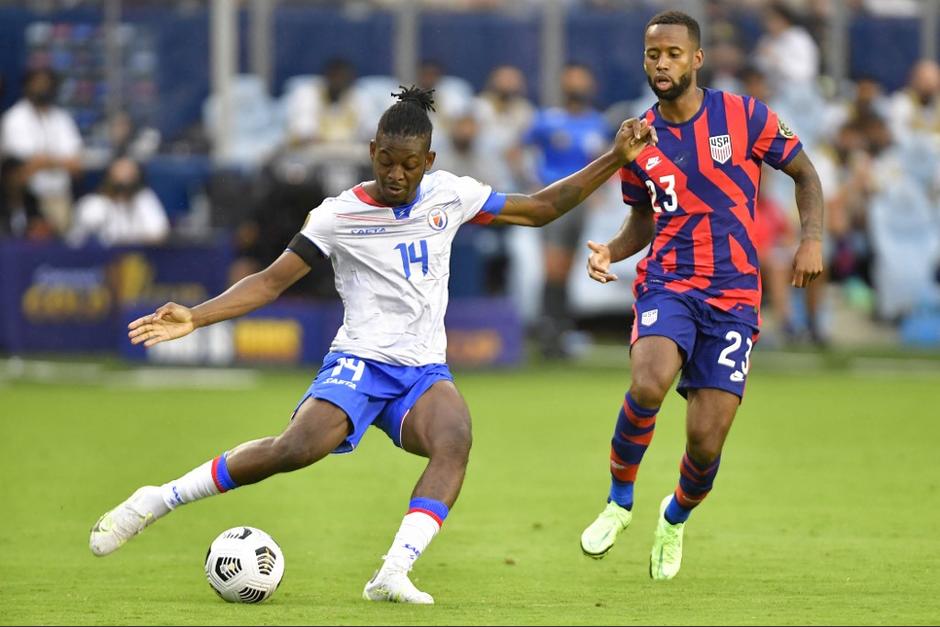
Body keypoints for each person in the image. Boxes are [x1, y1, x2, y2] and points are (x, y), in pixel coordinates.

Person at [89, 86, 657, 604]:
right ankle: (157, 499)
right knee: (294, 450)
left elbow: (540, 209)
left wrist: (614, 160)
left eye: (410, 164)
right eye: (386, 160)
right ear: (371, 151)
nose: (396, 173)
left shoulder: (450, 195)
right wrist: (197, 315)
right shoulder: (336, 215)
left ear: (429, 161)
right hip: (360, 362)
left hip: (423, 370)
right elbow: (269, 281)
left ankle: (392, 572)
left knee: (454, 439)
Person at [578, 11, 823, 580]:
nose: (660, 63)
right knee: (648, 381)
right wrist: (611, 252)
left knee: (706, 443)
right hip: (670, 281)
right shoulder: (636, 137)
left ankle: (675, 517)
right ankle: (618, 501)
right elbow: (643, 218)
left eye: (671, 53)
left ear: (696, 59)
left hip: (735, 292)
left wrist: (810, 240)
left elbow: (806, 175)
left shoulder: (744, 115)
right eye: (651, 54)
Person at [523, 63, 612, 358]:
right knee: (553, 267)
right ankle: (548, 334)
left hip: (581, 203)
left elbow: (602, 162)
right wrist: (533, 181)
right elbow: (518, 149)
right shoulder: (548, 120)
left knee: (569, 267)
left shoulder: (596, 123)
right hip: (553, 199)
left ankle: (559, 333)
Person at [0, 67, 83, 238]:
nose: (42, 88)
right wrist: (59, 162)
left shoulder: (62, 118)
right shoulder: (14, 118)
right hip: (28, 197)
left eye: (46, 84)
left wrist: (44, 162)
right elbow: (19, 165)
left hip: (60, 197)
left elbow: (76, 165)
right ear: (27, 86)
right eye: (37, 84)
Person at [67, 157, 170, 248]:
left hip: (136, 258)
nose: (124, 178)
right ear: (109, 176)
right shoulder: (92, 203)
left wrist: (126, 242)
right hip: (93, 263)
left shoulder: (144, 198)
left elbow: (159, 233)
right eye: (120, 172)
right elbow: (81, 241)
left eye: (129, 173)